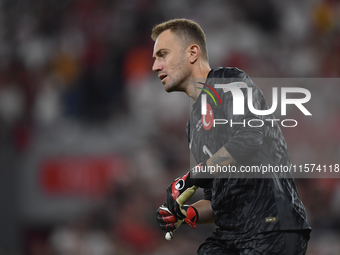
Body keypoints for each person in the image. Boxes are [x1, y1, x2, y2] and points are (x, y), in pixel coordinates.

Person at [152, 18, 311, 255]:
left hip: (272, 227)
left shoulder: (229, 81)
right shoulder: (192, 127)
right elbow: (216, 200)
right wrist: (186, 214)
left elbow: (249, 138)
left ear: (192, 53)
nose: (155, 66)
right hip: (232, 235)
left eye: (162, 54)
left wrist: (190, 177)